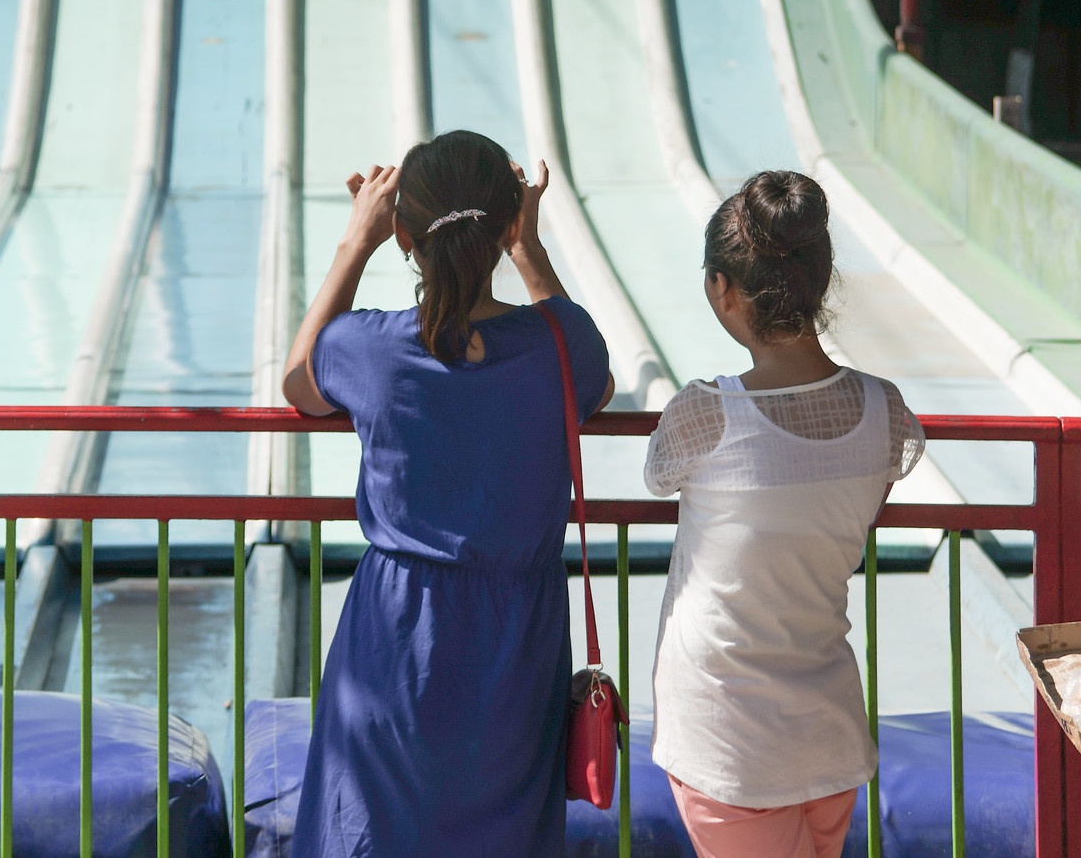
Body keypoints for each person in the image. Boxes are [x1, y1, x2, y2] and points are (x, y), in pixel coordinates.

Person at [282, 130, 615, 856]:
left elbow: (299, 380)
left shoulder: (367, 348)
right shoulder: (559, 345)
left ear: (403, 233)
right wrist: (527, 250)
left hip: (397, 633)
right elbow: (592, 368)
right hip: (517, 636)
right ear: (505, 228)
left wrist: (355, 243)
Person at [645, 171, 926, 858]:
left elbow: (657, 476)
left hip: (728, 736)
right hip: (825, 727)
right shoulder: (883, 411)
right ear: (819, 281)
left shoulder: (705, 412)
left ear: (723, 288)